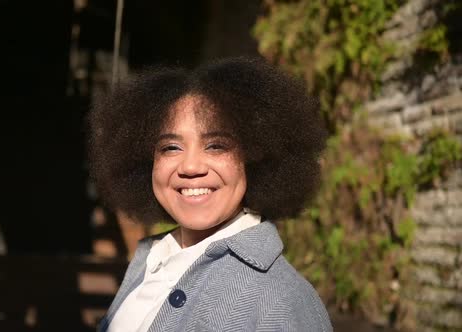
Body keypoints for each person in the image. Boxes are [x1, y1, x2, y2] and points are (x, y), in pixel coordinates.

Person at [88, 57, 332, 331]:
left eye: (216, 146)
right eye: (171, 147)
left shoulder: (281, 301)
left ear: (256, 158)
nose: (191, 166)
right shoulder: (149, 263)